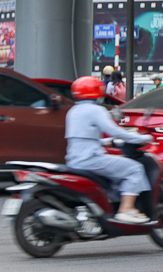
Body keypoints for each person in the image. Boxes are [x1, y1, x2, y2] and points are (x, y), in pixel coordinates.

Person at [65, 76, 153, 224]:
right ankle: (126, 209)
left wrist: (105, 142)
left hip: (74, 160)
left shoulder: (73, 111)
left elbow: (84, 138)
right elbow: (115, 131)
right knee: (134, 168)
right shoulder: (96, 110)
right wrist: (141, 139)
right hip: (91, 159)